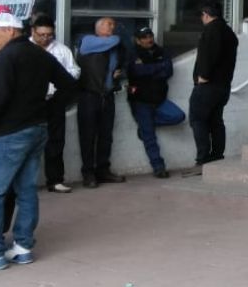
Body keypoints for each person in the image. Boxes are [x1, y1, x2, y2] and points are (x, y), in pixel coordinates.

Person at [0, 11, 77, 270]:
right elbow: (69, 85)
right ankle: (23, 247)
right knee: (26, 190)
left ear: (9, 30)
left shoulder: (6, 57)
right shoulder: (41, 55)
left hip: (9, 133)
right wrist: (47, 109)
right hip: (37, 129)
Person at [183, 2, 238, 177]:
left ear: (206, 14)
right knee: (216, 121)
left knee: (198, 120)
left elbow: (209, 55)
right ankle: (217, 156)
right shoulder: (228, 32)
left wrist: (203, 76)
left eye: (202, 16)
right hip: (223, 86)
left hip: (208, 85)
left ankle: (202, 160)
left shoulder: (212, 30)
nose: (201, 19)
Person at [28, 16, 79, 193]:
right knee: (28, 142)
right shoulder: (24, 49)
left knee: (56, 140)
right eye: (41, 34)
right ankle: (24, 184)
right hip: (30, 102)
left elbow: (75, 70)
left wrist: (61, 83)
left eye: (49, 35)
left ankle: (55, 180)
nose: (45, 38)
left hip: (54, 99)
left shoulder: (61, 50)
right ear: (33, 31)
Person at [125, 26, 183, 179]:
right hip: (140, 100)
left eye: (150, 36)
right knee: (150, 138)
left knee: (178, 116)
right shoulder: (132, 53)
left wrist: (148, 69)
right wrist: (158, 67)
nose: (149, 39)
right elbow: (136, 72)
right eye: (144, 37)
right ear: (138, 40)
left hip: (159, 99)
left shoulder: (161, 51)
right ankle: (159, 167)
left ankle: (146, 126)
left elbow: (168, 71)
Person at [75, 17, 127, 188]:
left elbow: (120, 63)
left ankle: (103, 170)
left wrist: (118, 73)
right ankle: (88, 173)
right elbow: (115, 40)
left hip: (107, 95)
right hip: (89, 95)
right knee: (88, 136)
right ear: (98, 28)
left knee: (106, 136)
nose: (112, 27)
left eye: (113, 24)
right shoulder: (88, 40)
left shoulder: (114, 47)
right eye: (108, 24)